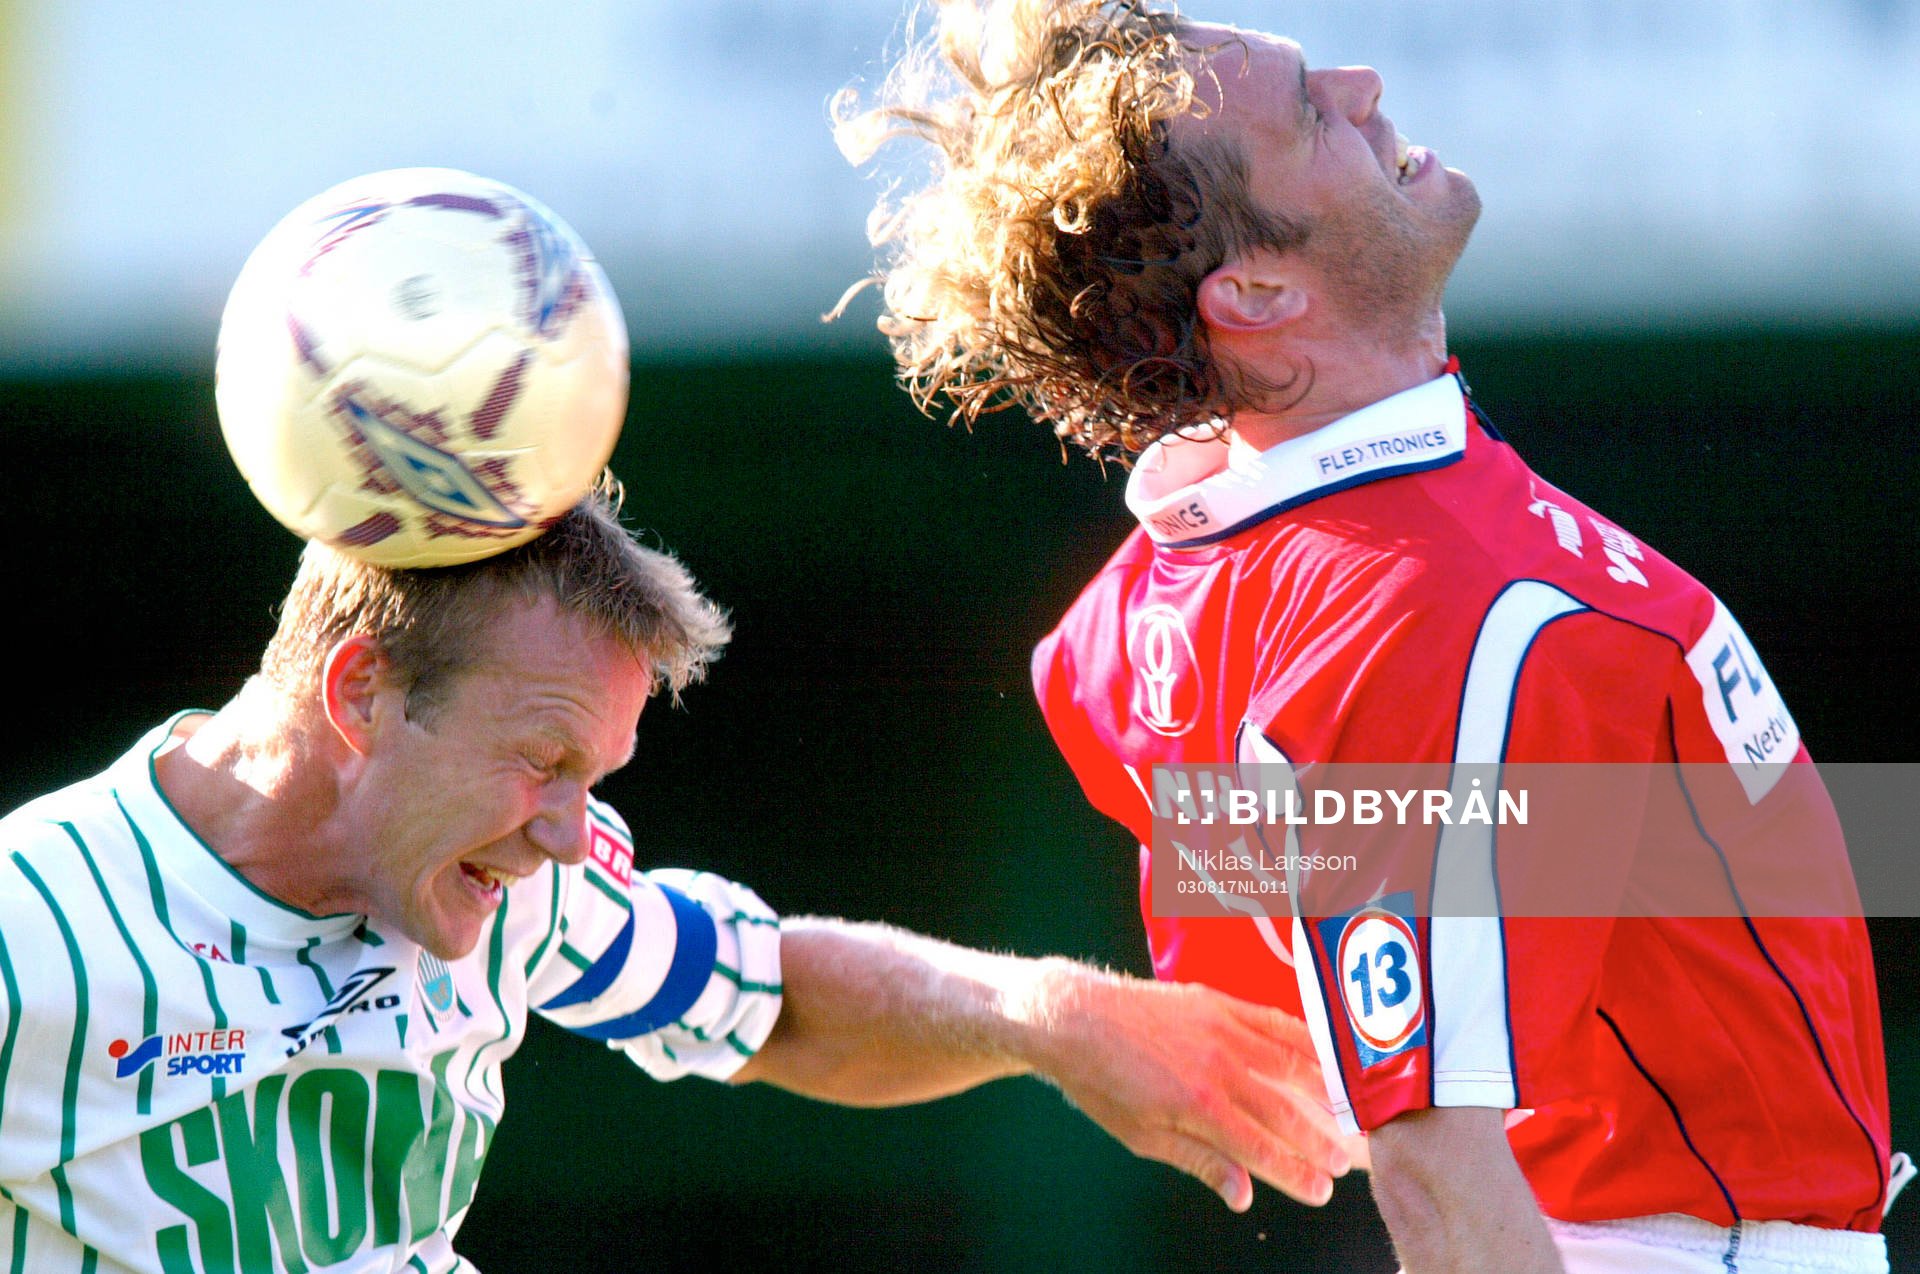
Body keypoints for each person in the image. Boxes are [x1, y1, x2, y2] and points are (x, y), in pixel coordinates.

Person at [832, 2, 1898, 1271]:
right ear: (1260, 290)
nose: (1364, 82)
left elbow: (1451, 864)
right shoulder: (1428, 601)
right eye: (1308, 111)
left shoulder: (1160, 599)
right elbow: (1442, 1178)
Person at [0, 477, 1350, 1271]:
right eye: (542, 759)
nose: (568, 829)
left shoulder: (517, 886)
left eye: (600, 774)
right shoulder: (29, 934)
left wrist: (1058, 1019)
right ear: (360, 694)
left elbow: (771, 1002)